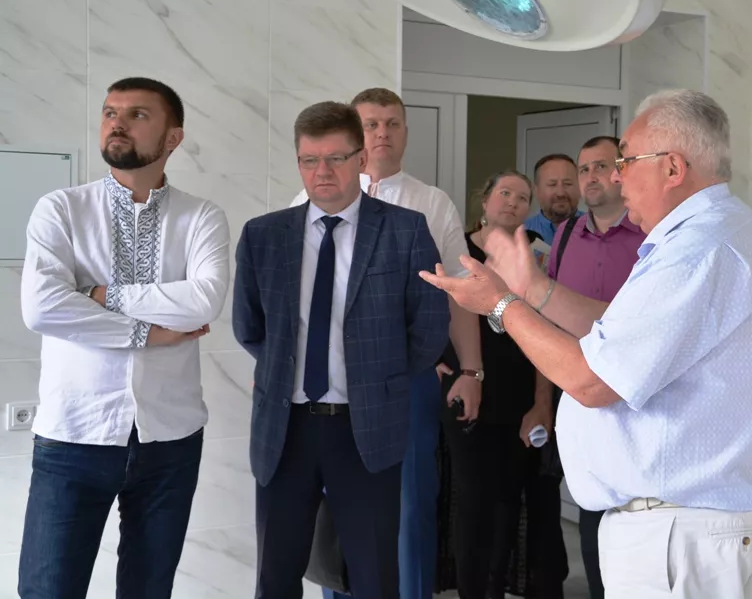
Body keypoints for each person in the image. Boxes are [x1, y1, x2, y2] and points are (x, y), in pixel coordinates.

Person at [421, 88, 752, 599]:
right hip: (680, 524)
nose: (616, 177)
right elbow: (619, 329)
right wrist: (532, 288)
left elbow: (594, 381)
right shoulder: (709, 233)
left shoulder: (698, 250)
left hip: (678, 530)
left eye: (626, 161)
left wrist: (500, 305)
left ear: (673, 168)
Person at [18, 77, 230, 599]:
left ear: (173, 137)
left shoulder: (201, 216)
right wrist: (146, 333)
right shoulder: (61, 209)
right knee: (47, 589)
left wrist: (95, 294)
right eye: (110, 112)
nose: (117, 123)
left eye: (137, 114)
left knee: (149, 589)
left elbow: (203, 301)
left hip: (170, 438)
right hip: (74, 434)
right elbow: (42, 307)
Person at [233, 101, 450, 598]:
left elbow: (429, 326)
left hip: (365, 428)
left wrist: (380, 378)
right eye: (310, 160)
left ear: (361, 159)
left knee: (374, 577)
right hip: (285, 429)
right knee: (275, 577)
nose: (322, 171)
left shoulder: (405, 230)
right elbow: (249, 326)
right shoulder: (264, 235)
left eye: (335, 158)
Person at [291, 87, 484, 599]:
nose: (382, 133)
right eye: (371, 124)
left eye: (392, 123)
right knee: (336, 504)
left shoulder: (430, 203)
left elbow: (460, 295)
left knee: (409, 504)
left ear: (405, 132)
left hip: (404, 378)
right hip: (327, 381)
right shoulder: (308, 201)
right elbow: (291, 299)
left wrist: (471, 370)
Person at [439, 171, 568, 599]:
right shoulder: (458, 251)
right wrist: (435, 359)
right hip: (468, 392)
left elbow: (550, 333)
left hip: (520, 396)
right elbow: (432, 308)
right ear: (485, 200)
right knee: (472, 500)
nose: (512, 202)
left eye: (522, 197)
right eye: (504, 193)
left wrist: (541, 402)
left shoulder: (538, 256)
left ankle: (497, 586)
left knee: (509, 502)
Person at [546, 135, 646, 599]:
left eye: (601, 166)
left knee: (635, 522)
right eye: (583, 168)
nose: (589, 177)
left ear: (623, 171)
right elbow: (549, 316)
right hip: (575, 392)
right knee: (590, 512)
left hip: (635, 398)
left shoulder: (651, 234)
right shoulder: (565, 235)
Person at [523, 153, 581, 244]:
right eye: (552, 184)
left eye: (568, 184)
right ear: (536, 191)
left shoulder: (599, 229)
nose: (560, 193)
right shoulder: (520, 234)